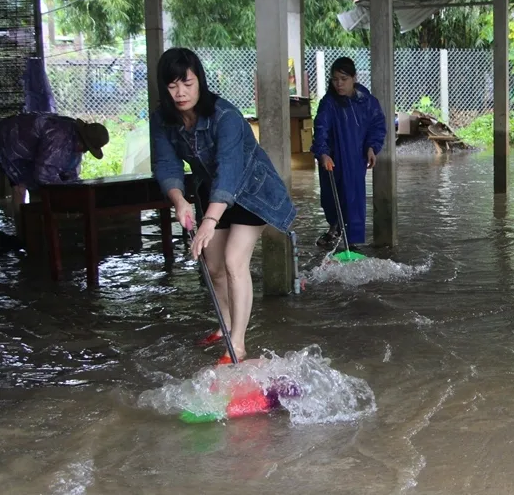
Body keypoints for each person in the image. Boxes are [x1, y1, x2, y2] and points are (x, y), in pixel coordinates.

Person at [150, 47, 297, 363]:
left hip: (251, 191)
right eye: (172, 86)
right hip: (211, 190)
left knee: (233, 262)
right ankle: (225, 326)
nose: (180, 93)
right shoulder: (162, 120)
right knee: (214, 268)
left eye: (187, 83)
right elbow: (166, 164)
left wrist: (208, 220)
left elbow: (230, 168)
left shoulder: (225, 116)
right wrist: (180, 201)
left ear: (199, 81)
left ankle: (238, 344)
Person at [311, 57, 386, 249]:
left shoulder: (367, 102)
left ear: (354, 78)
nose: (339, 84)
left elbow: (377, 126)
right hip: (332, 159)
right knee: (331, 197)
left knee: (353, 198)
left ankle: (352, 243)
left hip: (355, 159)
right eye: (335, 79)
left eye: (343, 79)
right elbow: (321, 129)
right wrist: (322, 153)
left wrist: (372, 147)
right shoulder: (328, 103)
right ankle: (335, 229)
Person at [0, 112, 109, 202]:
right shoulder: (59, 136)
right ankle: (21, 224)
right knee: (20, 186)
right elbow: (43, 176)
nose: (84, 152)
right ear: (83, 140)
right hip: (10, 140)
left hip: (29, 146)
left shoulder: (74, 139)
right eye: (86, 148)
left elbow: (70, 174)